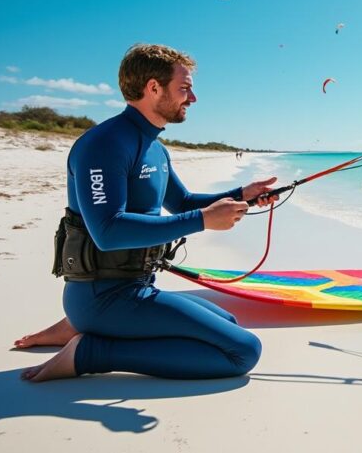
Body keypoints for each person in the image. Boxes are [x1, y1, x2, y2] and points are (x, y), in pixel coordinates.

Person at [16, 44, 278, 381]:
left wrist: (243, 194)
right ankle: (89, 352)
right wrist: (203, 222)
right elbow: (107, 232)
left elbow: (182, 202)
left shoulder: (155, 148)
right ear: (153, 88)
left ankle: (79, 329)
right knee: (242, 351)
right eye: (184, 89)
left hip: (137, 287)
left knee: (227, 323)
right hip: (103, 296)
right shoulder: (104, 144)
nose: (193, 98)